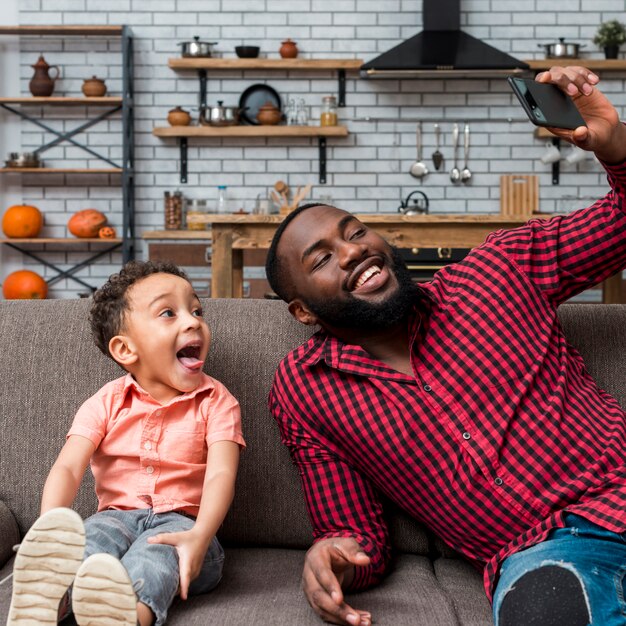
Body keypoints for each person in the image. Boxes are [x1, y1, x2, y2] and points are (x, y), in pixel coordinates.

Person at [265, 66, 626, 626]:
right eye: (321, 258)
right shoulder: (304, 391)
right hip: (547, 558)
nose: (352, 251)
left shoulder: (498, 270)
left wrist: (618, 145)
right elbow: (358, 534)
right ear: (302, 312)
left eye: (355, 232)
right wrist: (333, 557)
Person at [7, 260, 245, 626]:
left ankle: (126, 616)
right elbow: (68, 466)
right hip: (114, 518)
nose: (193, 320)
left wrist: (200, 535)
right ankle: (47, 606)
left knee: (152, 560)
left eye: (196, 310)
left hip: (183, 528)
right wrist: (50, 531)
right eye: (169, 312)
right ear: (125, 350)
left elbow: (220, 476)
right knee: (86, 545)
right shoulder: (106, 400)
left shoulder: (218, 401)